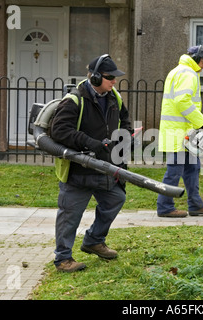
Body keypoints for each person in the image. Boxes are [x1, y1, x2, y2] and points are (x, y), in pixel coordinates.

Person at [50, 54, 132, 272]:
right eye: (109, 77)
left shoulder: (114, 96)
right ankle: (63, 259)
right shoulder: (74, 99)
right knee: (70, 215)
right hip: (79, 169)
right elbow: (59, 130)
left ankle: (94, 240)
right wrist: (91, 143)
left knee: (116, 199)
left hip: (105, 167)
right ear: (95, 78)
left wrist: (126, 136)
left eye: (115, 78)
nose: (114, 81)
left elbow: (125, 120)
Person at [157, 44, 203, 218]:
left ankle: (195, 205)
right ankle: (165, 207)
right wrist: (202, 122)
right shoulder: (187, 73)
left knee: (192, 168)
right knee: (174, 171)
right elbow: (182, 101)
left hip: (183, 132)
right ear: (196, 58)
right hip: (179, 132)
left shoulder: (179, 71)